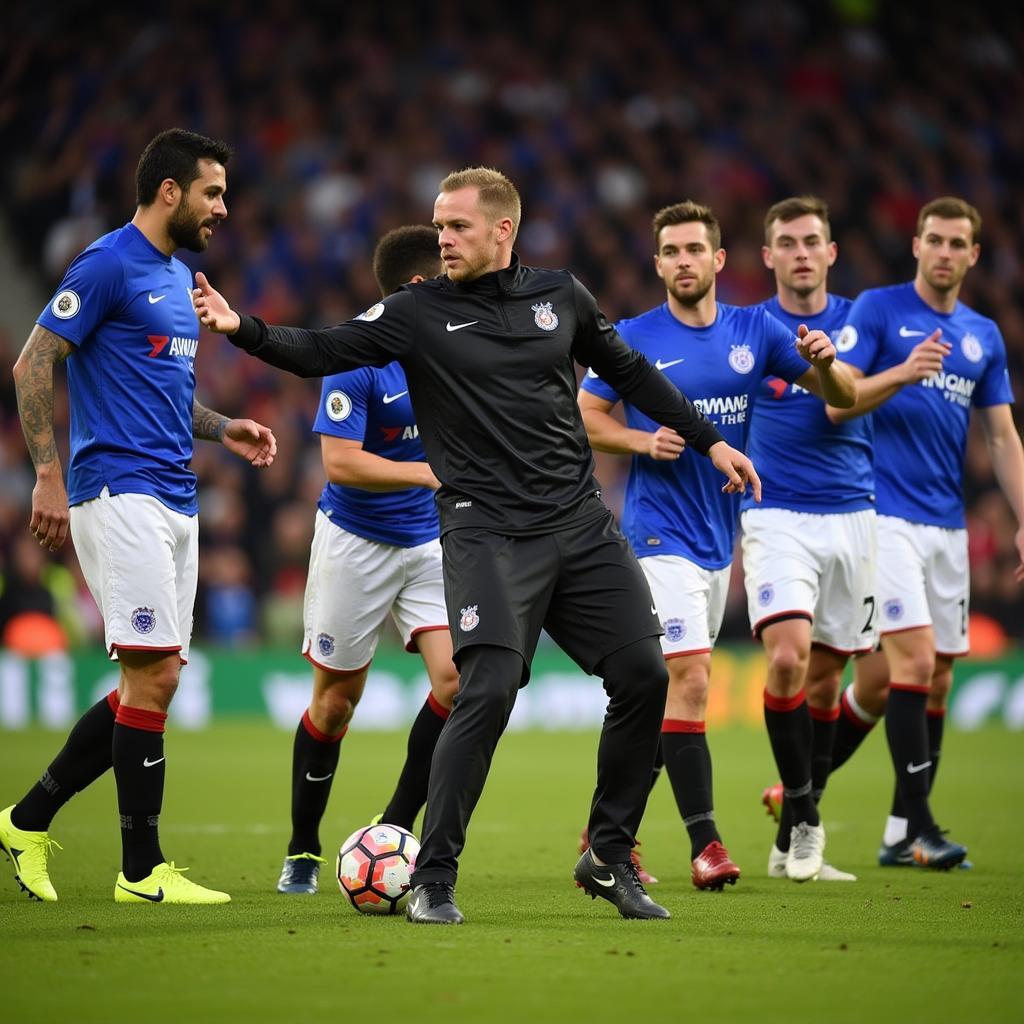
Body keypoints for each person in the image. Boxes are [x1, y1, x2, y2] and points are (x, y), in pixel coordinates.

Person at [194, 166, 762, 925]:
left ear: (503, 231)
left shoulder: (561, 296)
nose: (442, 239)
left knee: (643, 676)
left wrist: (710, 440)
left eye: (457, 226)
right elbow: (322, 349)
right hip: (487, 529)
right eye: (437, 226)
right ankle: (434, 876)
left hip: (579, 523)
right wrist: (245, 330)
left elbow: (631, 373)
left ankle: (608, 854)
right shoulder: (417, 311)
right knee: (488, 688)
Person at [0, 129, 277, 905]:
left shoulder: (179, 277)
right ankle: (141, 869)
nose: (222, 207)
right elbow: (34, 360)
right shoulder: (108, 263)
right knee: (152, 673)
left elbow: (160, 393)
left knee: (149, 681)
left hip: (175, 493)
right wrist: (47, 476)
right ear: (169, 191)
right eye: (212, 192)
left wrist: (227, 429)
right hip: (116, 491)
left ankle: (24, 820)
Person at [578, 200, 855, 888]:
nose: (682, 262)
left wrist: (825, 363)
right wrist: (642, 439)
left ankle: (604, 832)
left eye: (693, 250)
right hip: (655, 531)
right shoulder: (634, 336)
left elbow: (841, 396)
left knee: (668, 693)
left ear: (718, 260)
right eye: (670, 252)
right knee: (692, 677)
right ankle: (707, 844)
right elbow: (582, 417)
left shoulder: (754, 330)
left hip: (716, 538)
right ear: (658, 264)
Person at [829, 196, 1023, 869]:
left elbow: (1001, 436)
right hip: (882, 515)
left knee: (924, 681)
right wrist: (904, 373)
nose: (944, 252)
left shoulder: (982, 336)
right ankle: (921, 829)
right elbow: (839, 396)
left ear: (974, 254)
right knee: (913, 664)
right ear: (916, 244)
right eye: (934, 239)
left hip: (946, 527)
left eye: (957, 243)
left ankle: (840, 806)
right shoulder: (877, 312)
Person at [277, 225, 459, 895]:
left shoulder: (454, 347)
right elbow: (340, 462)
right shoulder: (359, 354)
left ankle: (394, 826)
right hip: (354, 542)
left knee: (455, 684)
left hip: (428, 544)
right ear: (418, 287)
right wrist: (428, 474)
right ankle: (303, 848)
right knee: (334, 706)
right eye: (445, 276)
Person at [740, 196, 889, 882]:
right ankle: (804, 816)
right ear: (768, 256)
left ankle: (793, 833)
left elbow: (847, 396)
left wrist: (827, 362)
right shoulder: (747, 329)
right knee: (790, 659)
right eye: (786, 243)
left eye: (812, 241)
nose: (800, 252)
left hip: (853, 515)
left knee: (829, 684)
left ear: (831, 252)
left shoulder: (860, 321)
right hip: (778, 514)